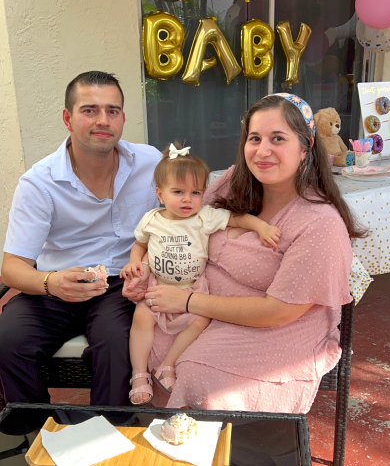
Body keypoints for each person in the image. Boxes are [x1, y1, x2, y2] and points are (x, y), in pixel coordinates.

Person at [124, 93, 364, 413]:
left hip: (273, 328)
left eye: (277, 138)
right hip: (200, 305)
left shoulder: (319, 224)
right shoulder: (235, 181)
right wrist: (144, 271)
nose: (262, 151)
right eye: (255, 138)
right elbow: (183, 226)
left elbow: (278, 312)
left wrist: (187, 301)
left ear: (305, 147)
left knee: (199, 378)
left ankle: (210, 451)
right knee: (134, 337)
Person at [0, 71, 161, 409]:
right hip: (56, 282)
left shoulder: (150, 162)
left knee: (116, 344)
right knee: (8, 340)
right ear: (67, 118)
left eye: (112, 111)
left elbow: (188, 202)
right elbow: (12, 268)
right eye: (89, 110)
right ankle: (40, 432)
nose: (103, 120)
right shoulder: (40, 182)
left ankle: (108, 435)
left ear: (123, 118)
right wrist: (50, 282)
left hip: (121, 283)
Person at [121, 142, 281, 405]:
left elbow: (238, 219)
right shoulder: (151, 219)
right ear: (160, 194)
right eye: (178, 192)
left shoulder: (203, 217)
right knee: (141, 317)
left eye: (196, 192)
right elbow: (139, 244)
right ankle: (139, 374)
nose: (187, 199)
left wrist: (261, 227)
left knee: (200, 321)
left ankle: (168, 366)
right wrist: (133, 263)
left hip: (191, 289)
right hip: (158, 285)